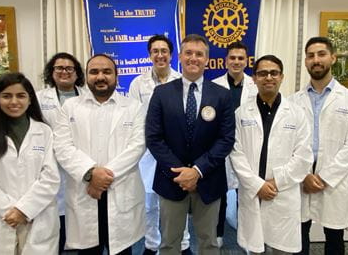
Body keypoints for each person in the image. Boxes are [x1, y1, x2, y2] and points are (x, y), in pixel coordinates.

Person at [146, 34, 235, 255]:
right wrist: (182, 172)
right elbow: (154, 138)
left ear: (207, 59)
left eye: (199, 54)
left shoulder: (222, 96)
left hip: (209, 180)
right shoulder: (161, 93)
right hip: (171, 179)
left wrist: (196, 171)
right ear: (180, 57)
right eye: (188, 53)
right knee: (169, 243)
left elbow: (226, 139)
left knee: (209, 243)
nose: (193, 58)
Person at [53, 54, 146, 255]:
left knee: (121, 249)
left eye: (106, 72)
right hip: (85, 190)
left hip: (119, 188)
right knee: (88, 251)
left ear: (116, 76)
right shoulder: (70, 107)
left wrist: (102, 177)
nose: (100, 76)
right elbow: (62, 146)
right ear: (86, 76)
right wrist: (90, 174)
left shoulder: (134, 107)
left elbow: (137, 147)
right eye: (94, 72)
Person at [230, 55, 313, 254]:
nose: (268, 77)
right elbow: (235, 152)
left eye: (273, 73)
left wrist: (275, 183)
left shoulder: (296, 113)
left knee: (281, 248)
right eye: (262, 73)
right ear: (254, 78)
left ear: (281, 77)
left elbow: (303, 156)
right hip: (253, 191)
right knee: (254, 248)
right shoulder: (241, 113)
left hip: (282, 191)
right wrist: (257, 185)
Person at [0, 72, 60, 254]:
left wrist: (25, 210)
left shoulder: (45, 132)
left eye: (20, 95)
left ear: (30, 100)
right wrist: (11, 211)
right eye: (6, 96)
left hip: (36, 216)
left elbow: (50, 177)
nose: (14, 102)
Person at [290, 37, 348, 255]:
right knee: (299, 234)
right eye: (311, 56)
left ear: (332, 58)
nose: (316, 60)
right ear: (305, 61)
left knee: (334, 237)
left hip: (333, 179)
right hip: (301, 177)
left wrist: (324, 177)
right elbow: (288, 143)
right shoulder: (293, 101)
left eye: (321, 54)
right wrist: (304, 174)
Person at [129, 35, 192, 255]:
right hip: (147, 151)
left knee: (178, 200)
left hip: (174, 151)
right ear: (149, 55)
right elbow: (134, 118)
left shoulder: (181, 80)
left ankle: (183, 244)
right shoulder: (138, 83)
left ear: (171, 55)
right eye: (155, 51)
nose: (160, 55)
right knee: (149, 203)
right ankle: (151, 244)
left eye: (164, 51)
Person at [37, 52, 85, 253]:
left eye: (69, 68)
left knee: (79, 210)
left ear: (76, 73)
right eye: (59, 68)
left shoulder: (86, 96)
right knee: (55, 213)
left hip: (78, 160)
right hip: (50, 162)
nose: (64, 72)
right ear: (52, 72)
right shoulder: (39, 98)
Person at [212, 41, 257, 246]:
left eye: (240, 58)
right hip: (220, 144)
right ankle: (219, 232)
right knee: (219, 192)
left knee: (245, 192)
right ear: (225, 61)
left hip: (247, 145)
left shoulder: (254, 86)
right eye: (232, 58)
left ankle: (248, 237)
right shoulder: (214, 85)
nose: (236, 62)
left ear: (247, 61)